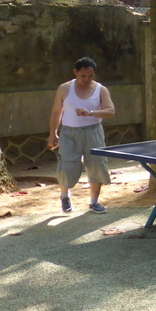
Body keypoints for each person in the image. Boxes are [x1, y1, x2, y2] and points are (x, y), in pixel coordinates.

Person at [48, 57, 115, 213]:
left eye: (90, 76)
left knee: (97, 165)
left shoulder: (100, 89)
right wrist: (53, 133)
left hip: (93, 131)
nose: (86, 79)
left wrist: (91, 113)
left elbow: (110, 111)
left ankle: (94, 202)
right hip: (69, 133)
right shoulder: (64, 88)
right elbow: (57, 112)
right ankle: (65, 195)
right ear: (75, 72)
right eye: (82, 76)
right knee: (66, 165)